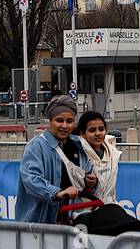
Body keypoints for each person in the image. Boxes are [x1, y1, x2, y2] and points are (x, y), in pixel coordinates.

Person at [16, 96, 95, 224]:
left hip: (73, 217)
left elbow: (88, 172)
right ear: (50, 120)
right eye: (59, 120)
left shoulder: (78, 145)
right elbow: (31, 179)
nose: (64, 126)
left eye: (69, 121)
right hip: (42, 221)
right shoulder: (36, 146)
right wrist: (57, 193)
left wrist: (91, 182)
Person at [77, 111, 121, 204]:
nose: (98, 133)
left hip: (109, 207)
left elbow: (111, 191)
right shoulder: (77, 155)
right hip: (86, 209)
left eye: (101, 129)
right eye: (92, 130)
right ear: (82, 133)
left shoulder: (113, 153)